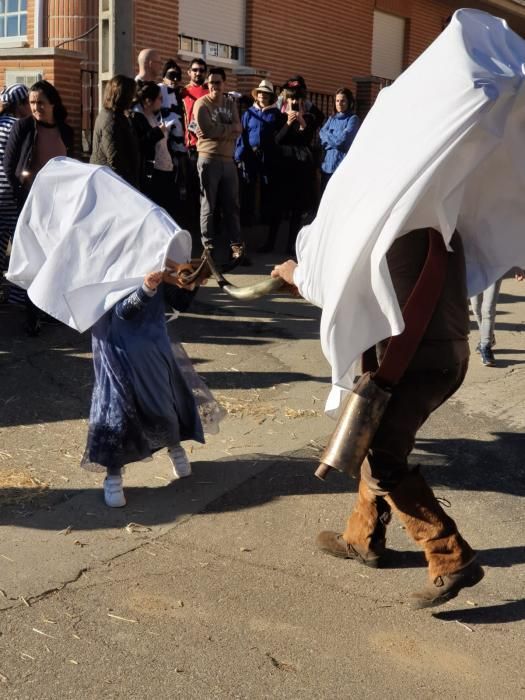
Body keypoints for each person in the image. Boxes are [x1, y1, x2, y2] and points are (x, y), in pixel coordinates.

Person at [82, 251, 213, 508]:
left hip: (154, 347)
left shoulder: (156, 252)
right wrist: (146, 288)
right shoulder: (104, 259)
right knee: (116, 415)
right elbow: (121, 312)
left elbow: (179, 302)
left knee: (164, 403)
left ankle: (175, 447)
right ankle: (114, 476)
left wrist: (191, 284)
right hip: (117, 353)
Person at [3, 79, 74, 335]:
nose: (35, 107)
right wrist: (20, 196)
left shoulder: (66, 131)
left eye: (40, 103)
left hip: (59, 205)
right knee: (34, 258)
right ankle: (31, 314)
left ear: (53, 103)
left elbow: (72, 167)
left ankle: (49, 309)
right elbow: (10, 166)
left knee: (54, 259)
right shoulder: (23, 128)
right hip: (31, 204)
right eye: (32, 102)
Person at [194, 66, 243, 257]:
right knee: (208, 205)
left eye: (218, 82)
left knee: (232, 205)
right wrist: (229, 129)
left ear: (224, 84)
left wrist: (221, 130)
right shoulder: (201, 104)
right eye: (211, 82)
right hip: (208, 159)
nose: (214, 86)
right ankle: (208, 246)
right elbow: (207, 130)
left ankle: (236, 245)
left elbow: (240, 129)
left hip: (229, 161)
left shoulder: (230, 104)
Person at [234, 79, 285, 253]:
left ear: (271, 97)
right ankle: (244, 239)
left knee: (268, 195)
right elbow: (242, 135)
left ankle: (267, 239)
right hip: (250, 158)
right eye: (260, 93)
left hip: (269, 159)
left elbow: (281, 136)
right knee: (247, 195)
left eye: (266, 93)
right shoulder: (249, 113)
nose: (263, 96)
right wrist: (239, 156)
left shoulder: (276, 115)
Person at [275, 76, 324, 255]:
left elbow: (307, 139)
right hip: (284, 166)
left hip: (301, 168)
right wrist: (288, 123)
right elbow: (277, 140)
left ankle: (290, 245)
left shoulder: (309, 117)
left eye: (298, 99)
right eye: (292, 98)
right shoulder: (279, 115)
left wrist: (303, 124)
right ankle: (271, 242)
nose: (295, 102)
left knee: (297, 208)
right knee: (279, 206)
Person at [0, 84, 30, 276]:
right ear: (20, 104)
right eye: (28, 102)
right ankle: (17, 297)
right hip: (11, 192)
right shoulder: (17, 126)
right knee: (21, 246)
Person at [90, 75, 140, 188]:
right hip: (112, 184)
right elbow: (114, 158)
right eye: (132, 94)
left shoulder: (114, 116)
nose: (134, 98)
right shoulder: (111, 120)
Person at [131, 81, 174, 214]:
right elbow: (140, 144)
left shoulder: (152, 115)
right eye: (159, 98)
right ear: (148, 101)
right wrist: (158, 132)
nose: (162, 101)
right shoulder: (136, 117)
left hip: (163, 168)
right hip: (152, 172)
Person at [181, 57, 209, 233]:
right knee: (189, 188)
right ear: (189, 72)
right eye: (195, 70)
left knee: (205, 188)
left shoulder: (209, 92)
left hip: (205, 147)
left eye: (201, 70)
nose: (198, 73)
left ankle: (206, 227)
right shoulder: (181, 92)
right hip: (186, 147)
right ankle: (190, 226)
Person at [319, 88, 360, 193]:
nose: (339, 103)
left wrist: (328, 140)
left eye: (343, 101)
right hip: (327, 166)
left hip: (341, 166)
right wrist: (334, 139)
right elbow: (321, 133)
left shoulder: (353, 119)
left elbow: (341, 142)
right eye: (337, 101)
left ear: (349, 102)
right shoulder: (331, 118)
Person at [469, 278, 503, 366]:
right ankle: (489, 337)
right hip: (475, 269)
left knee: (488, 309)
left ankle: (485, 346)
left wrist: (518, 267)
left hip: (495, 269)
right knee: (476, 307)